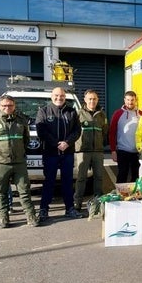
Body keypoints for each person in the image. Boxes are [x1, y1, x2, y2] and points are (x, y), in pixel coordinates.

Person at [0, 95, 39, 228]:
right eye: (4, 106)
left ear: (14, 106)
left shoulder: (21, 121)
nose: (7, 108)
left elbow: (26, 139)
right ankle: (4, 218)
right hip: (0, 163)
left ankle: (31, 216)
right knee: (1, 192)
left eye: (10, 105)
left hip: (19, 163)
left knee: (24, 191)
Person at [36, 87, 82, 222]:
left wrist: (67, 143)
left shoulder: (72, 112)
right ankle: (44, 209)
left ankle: (70, 209)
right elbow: (42, 131)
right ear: (51, 96)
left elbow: (77, 131)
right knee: (49, 182)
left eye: (61, 96)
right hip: (50, 153)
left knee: (67, 182)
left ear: (65, 97)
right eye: (56, 95)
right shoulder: (43, 111)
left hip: (67, 153)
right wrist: (57, 144)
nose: (59, 98)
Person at [74, 89, 108, 212]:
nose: (92, 101)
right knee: (81, 178)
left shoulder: (102, 115)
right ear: (85, 100)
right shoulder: (78, 114)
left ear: (97, 100)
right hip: (83, 151)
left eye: (94, 99)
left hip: (98, 151)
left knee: (99, 177)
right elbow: (74, 132)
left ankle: (98, 203)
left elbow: (105, 132)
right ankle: (77, 203)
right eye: (90, 99)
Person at [109, 91, 142, 183]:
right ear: (124, 100)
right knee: (122, 175)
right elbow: (112, 133)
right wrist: (113, 150)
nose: (130, 102)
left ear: (135, 100)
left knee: (137, 176)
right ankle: (120, 196)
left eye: (132, 100)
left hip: (137, 152)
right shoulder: (118, 113)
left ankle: (135, 197)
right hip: (122, 151)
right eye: (128, 100)